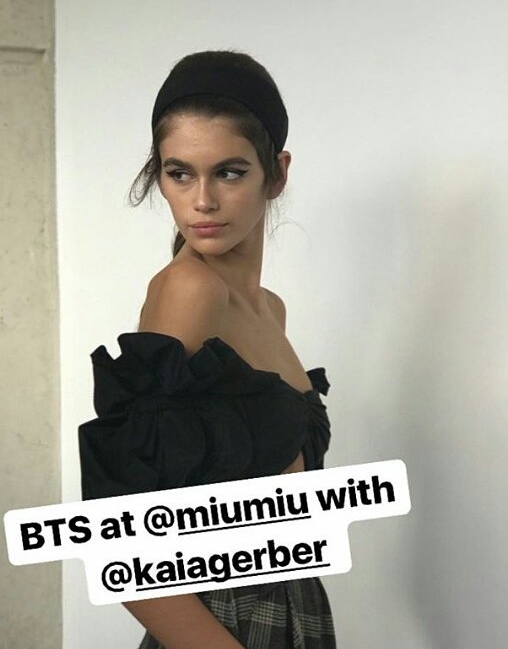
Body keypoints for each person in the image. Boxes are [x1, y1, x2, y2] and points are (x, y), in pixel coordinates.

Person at [78, 49, 336, 648]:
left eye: (229, 172)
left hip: (298, 614)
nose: (202, 201)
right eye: (179, 173)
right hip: (220, 629)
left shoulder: (270, 308)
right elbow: (121, 546)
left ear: (276, 173)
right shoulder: (190, 292)